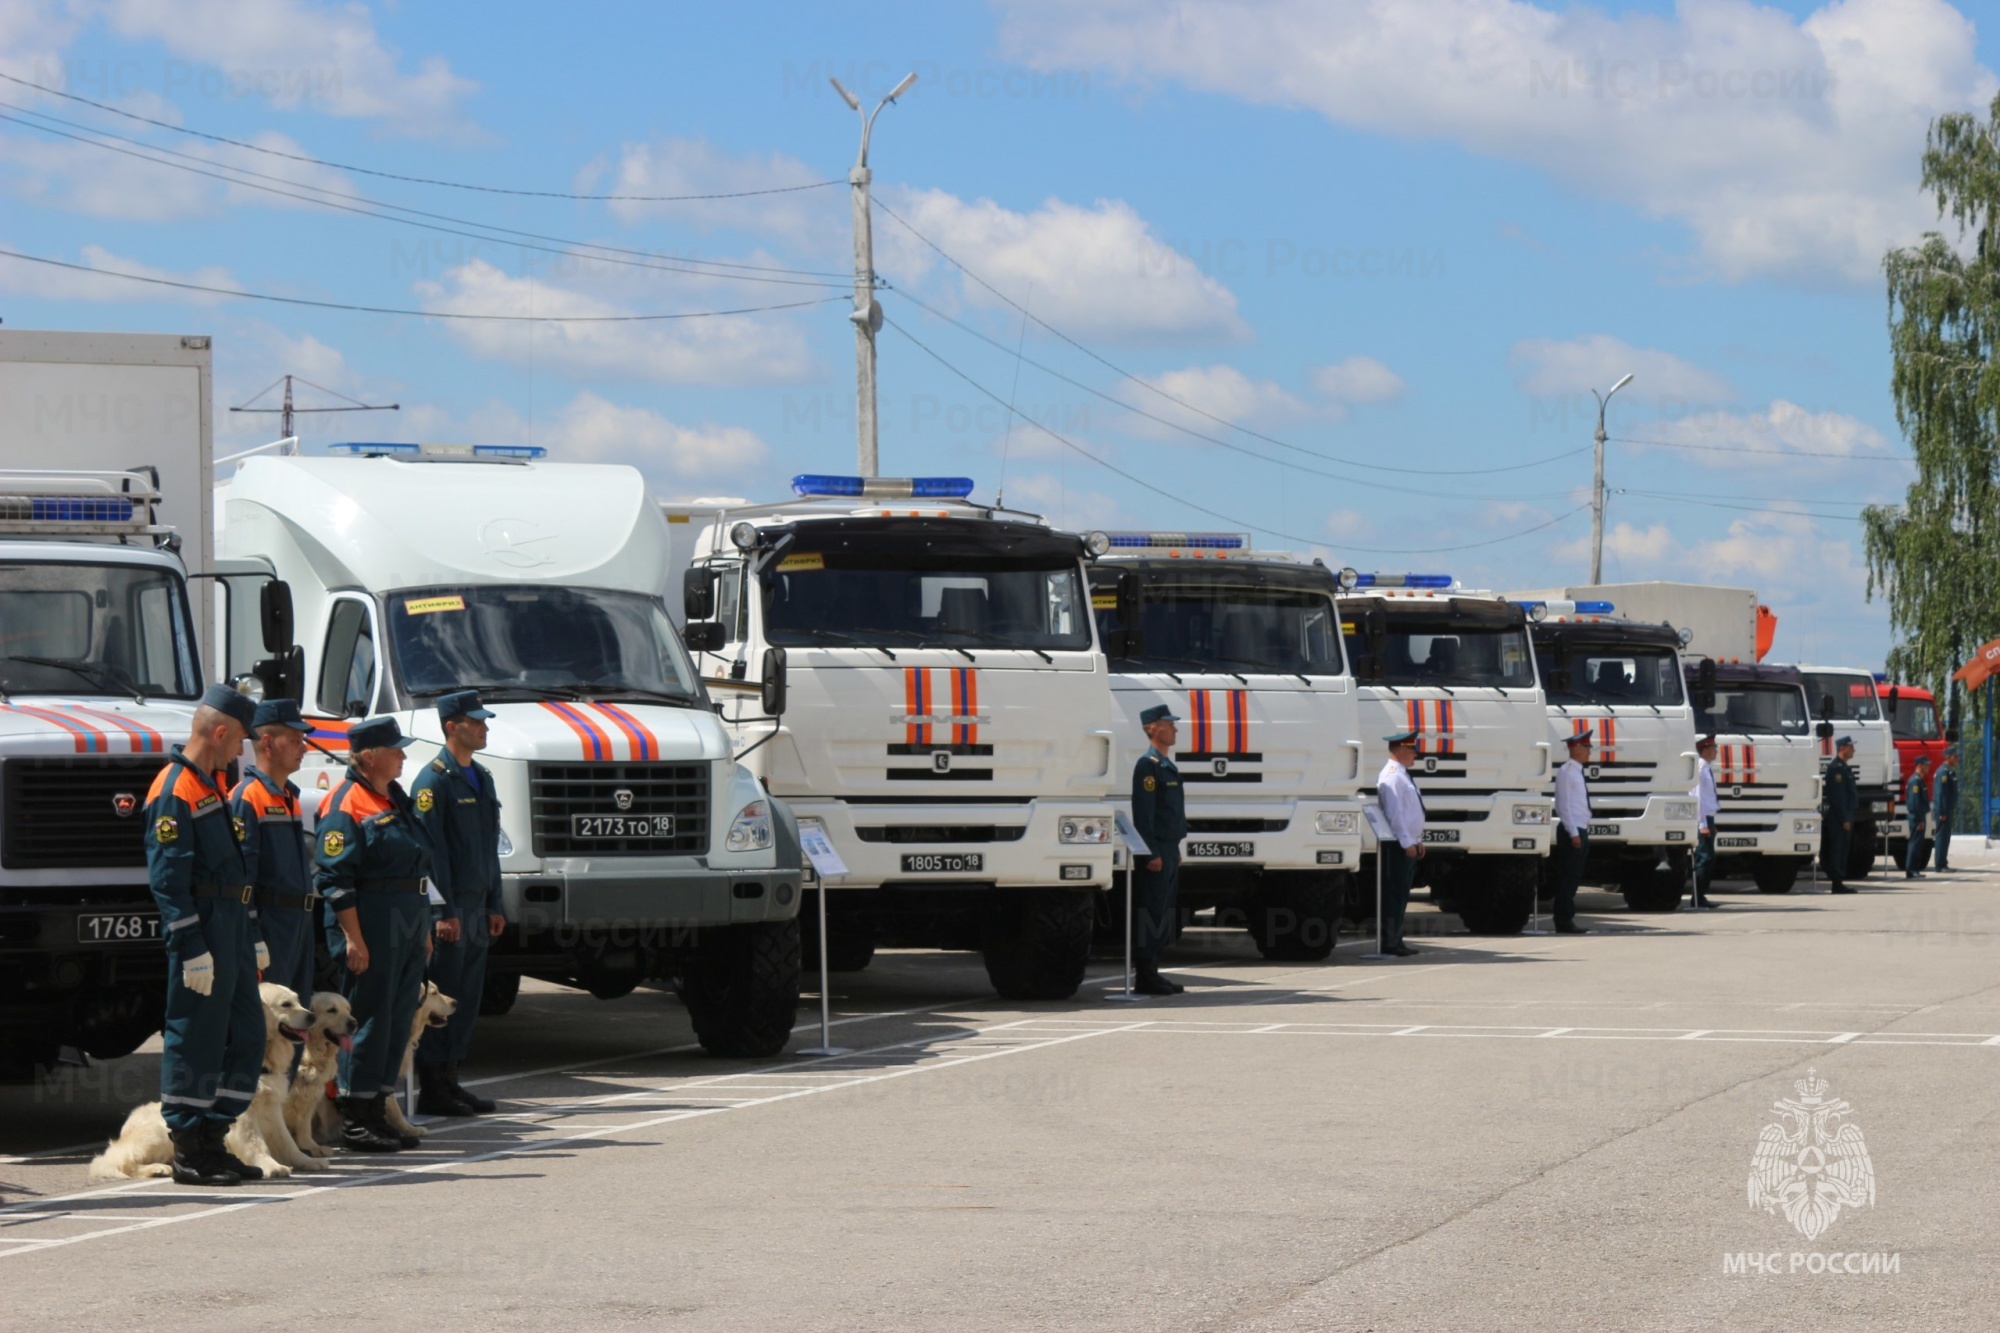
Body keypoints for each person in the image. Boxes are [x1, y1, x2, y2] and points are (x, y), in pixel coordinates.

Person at [143, 684, 266, 1186]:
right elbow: (168, 880)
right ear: (219, 732)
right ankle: (189, 1148)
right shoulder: (175, 789)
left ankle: (215, 1138)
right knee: (195, 1036)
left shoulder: (209, 783)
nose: (243, 749)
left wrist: (250, 931)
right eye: (240, 739)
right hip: (205, 928)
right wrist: (192, 945)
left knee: (248, 1035)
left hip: (231, 925)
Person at [316, 715, 434, 1153]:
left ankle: (378, 1107)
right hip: (369, 922)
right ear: (369, 756)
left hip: (404, 921)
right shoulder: (346, 803)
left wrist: (420, 928)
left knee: (395, 1018)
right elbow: (334, 877)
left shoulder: (393, 798)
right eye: (395, 749)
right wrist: (353, 938)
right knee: (363, 1019)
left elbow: (416, 868)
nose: (403, 755)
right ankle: (354, 1114)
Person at [413, 690, 506, 1116]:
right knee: (442, 998)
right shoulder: (432, 782)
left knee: (465, 998)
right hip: (452, 911)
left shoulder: (481, 778)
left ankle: (452, 1079)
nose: (484, 727)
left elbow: (489, 849)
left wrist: (495, 903)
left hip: (476, 905)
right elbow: (432, 856)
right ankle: (432, 1085)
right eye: (477, 721)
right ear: (453, 726)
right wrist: (442, 913)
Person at [230, 699, 317, 1005]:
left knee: (296, 1018)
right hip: (271, 925)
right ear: (267, 742)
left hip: (298, 923)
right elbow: (242, 879)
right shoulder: (246, 798)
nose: (303, 748)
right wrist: (254, 936)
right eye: (294, 740)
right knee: (269, 1022)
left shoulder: (288, 796)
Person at [1128, 703, 1187, 996]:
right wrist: (1151, 852)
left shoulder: (1165, 764)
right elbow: (1144, 814)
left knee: (1164, 911)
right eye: (1169, 723)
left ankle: (1154, 970)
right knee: (1151, 911)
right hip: (1156, 850)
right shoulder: (1148, 766)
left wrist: (1173, 848)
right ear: (1153, 728)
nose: (1175, 729)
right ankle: (1145, 975)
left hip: (1168, 847)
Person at [1376, 730, 1425, 956]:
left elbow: (1410, 812)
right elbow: (1396, 814)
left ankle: (1396, 939)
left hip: (1406, 842)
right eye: (1412, 749)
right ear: (1400, 750)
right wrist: (1407, 842)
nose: (1415, 753)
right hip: (1397, 845)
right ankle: (1389, 941)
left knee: (1402, 894)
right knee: (1394, 894)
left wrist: (1417, 839)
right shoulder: (1393, 776)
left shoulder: (1402, 774)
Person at [1551, 730, 1593, 934]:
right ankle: (1563, 920)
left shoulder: (1576, 771)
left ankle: (1566, 917)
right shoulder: (1566, 771)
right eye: (1586, 747)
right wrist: (1573, 831)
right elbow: (1563, 805)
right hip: (1572, 830)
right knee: (1567, 877)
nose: (1589, 751)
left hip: (1580, 828)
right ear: (1575, 748)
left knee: (1574, 877)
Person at [1822, 736, 1859, 894]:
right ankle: (1836, 882)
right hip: (1839, 817)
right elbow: (1838, 797)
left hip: (1846, 814)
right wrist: (1844, 818)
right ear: (1842, 748)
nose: (1853, 750)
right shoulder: (1836, 768)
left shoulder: (1844, 767)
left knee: (1843, 848)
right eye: (1851, 747)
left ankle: (1838, 881)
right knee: (1838, 848)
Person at [1690, 734, 1719, 909]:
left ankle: (1701, 895)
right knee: (1704, 857)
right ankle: (1697, 896)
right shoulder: (1700, 768)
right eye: (1713, 748)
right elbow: (1698, 797)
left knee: (1710, 858)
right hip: (1703, 819)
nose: (1715, 751)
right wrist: (1702, 825)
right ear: (1706, 750)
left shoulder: (1706, 767)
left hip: (1709, 817)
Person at [1903, 754, 1932, 880]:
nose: (1928, 768)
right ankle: (1911, 870)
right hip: (1916, 817)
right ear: (1920, 766)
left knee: (1918, 843)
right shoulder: (1915, 781)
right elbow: (1915, 803)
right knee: (1914, 843)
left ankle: (1915, 869)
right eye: (1926, 765)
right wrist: (1920, 819)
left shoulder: (1919, 780)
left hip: (1919, 816)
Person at [1934, 752, 1958, 872]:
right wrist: (1942, 812)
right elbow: (1940, 794)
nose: (1957, 759)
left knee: (1945, 838)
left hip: (1948, 810)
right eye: (1955, 757)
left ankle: (1943, 862)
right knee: (1941, 838)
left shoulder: (1949, 771)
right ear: (1948, 757)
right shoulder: (1943, 772)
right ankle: (1939, 864)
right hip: (1943, 811)